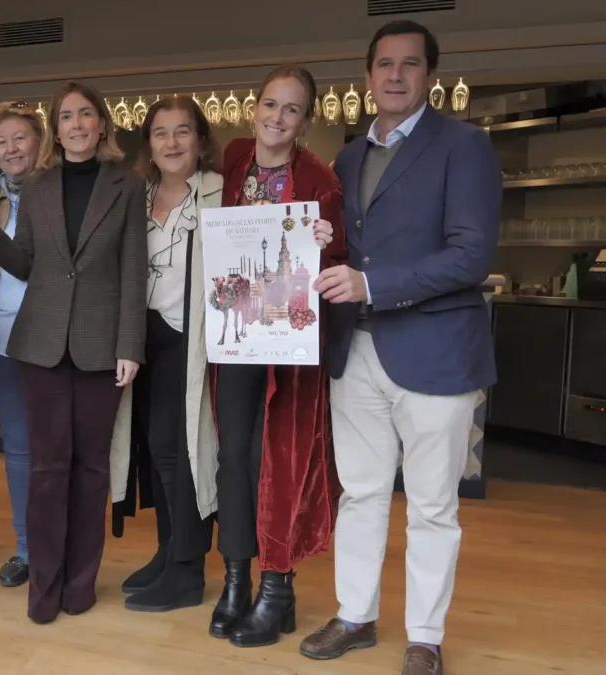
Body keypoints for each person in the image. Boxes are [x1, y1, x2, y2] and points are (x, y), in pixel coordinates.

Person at [302, 21, 499, 675]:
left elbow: (471, 255)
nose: (394, 75)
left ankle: (424, 635)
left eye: (409, 65)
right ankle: (355, 615)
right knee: (359, 493)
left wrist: (372, 282)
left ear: (431, 78)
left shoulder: (465, 147)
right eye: (383, 64)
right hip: (355, 351)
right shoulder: (351, 156)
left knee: (433, 504)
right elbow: (353, 252)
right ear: (367, 78)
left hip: (435, 351)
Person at [0, 81, 148, 624]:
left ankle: (79, 584)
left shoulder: (128, 184)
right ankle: (43, 588)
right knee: (48, 467)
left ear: (101, 124)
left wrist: (130, 346)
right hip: (40, 345)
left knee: (91, 469)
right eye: (66, 116)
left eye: (85, 115)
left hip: (101, 347)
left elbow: (133, 269)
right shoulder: (39, 186)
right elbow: (25, 263)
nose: (75, 124)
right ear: (59, 126)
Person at [210, 65, 343, 649]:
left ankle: (278, 585)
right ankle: (236, 577)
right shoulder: (236, 158)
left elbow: (336, 258)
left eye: (291, 110)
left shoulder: (318, 177)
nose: (277, 118)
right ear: (253, 107)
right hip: (235, 337)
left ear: (306, 120)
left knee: (280, 463)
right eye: (270, 104)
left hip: (289, 346)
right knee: (233, 457)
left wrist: (325, 243)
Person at [110, 96, 223, 614]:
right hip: (144, 338)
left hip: (190, 339)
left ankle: (187, 571)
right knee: (154, 453)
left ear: (200, 140)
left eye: (183, 132)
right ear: (148, 144)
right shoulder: (137, 195)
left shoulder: (221, 196)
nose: (172, 143)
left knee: (185, 456)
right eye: (160, 133)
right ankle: (166, 550)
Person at [0, 101, 44, 588]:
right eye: (1, 141)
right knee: (18, 448)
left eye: (20, 138)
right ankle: (26, 549)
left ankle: (56, 544)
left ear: (39, 141)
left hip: (47, 337)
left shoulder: (56, 193)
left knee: (55, 448)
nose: (11, 149)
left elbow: (34, 264)